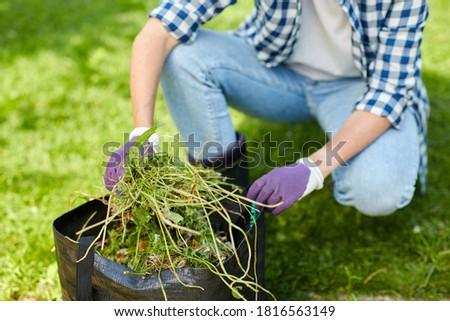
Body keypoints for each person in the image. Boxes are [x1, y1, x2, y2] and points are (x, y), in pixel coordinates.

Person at [104, 0, 429, 217]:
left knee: (378, 191)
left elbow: (389, 92)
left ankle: (339, 166)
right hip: (277, 73)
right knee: (184, 57)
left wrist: (313, 170)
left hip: (359, 87)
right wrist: (140, 134)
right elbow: (160, 29)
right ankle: (220, 204)